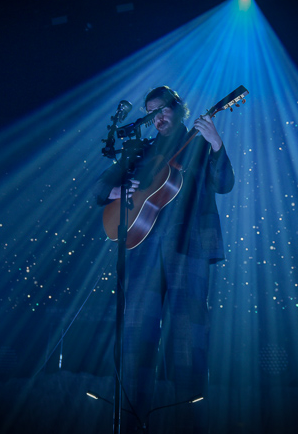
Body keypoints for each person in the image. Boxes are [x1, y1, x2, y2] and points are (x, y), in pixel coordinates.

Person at [94, 86, 234, 432]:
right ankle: (131, 422)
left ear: (178, 109)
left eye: (162, 109)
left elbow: (224, 183)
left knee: (189, 339)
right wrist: (118, 190)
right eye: (150, 112)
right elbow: (100, 188)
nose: (156, 117)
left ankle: (190, 422)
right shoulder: (141, 150)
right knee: (135, 341)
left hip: (189, 248)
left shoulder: (198, 143)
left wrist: (216, 143)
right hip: (142, 251)